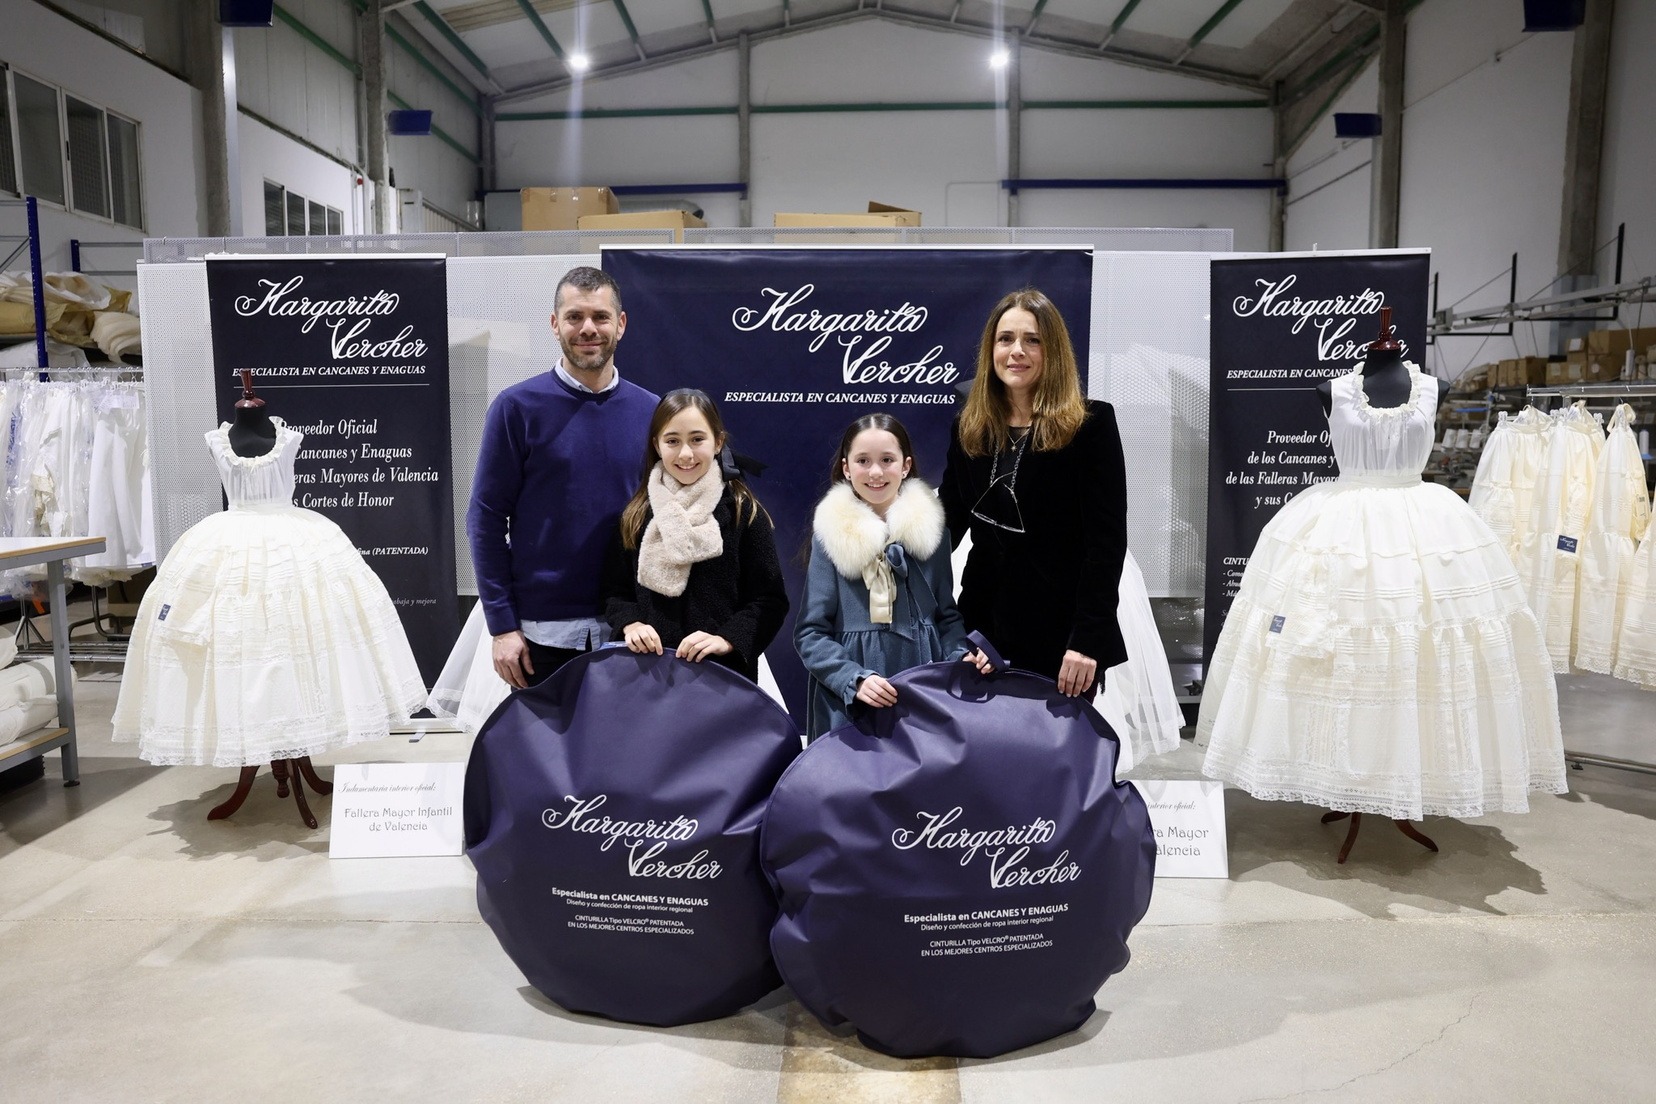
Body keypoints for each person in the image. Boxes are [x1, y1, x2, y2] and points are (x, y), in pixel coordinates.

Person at [466, 266, 658, 690]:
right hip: (541, 634)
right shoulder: (516, 408)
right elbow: (485, 519)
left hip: (633, 629)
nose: (588, 328)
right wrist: (502, 625)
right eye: (574, 317)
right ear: (555, 324)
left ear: (621, 324)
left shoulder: (652, 412)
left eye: (600, 316)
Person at [940, 287, 1129, 698]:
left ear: (1053, 350)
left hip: (1062, 638)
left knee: (1055, 741)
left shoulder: (1090, 426)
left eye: (1033, 340)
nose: (1016, 351)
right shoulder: (968, 427)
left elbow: (1106, 545)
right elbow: (945, 526)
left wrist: (1087, 641)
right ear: (991, 349)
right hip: (981, 630)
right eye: (1005, 339)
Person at [795, 413, 986, 741]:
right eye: (863, 461)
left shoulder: (932, 533)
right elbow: (810, 633)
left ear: (906, 465)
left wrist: (960, 656)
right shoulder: (829, 537)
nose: (875, 472)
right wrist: (853, 679)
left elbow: (946, 616)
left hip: (921, 687)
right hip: (852, 700)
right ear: (846, 468)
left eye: (887, 460)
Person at [599, 389, 788, 683]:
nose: (685, 454)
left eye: (697, 439)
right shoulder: (636, 514)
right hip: (648, 677)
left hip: (722, 679)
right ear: (657, 445)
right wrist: (631, 623)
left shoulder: (743, 512)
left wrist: (728, 639)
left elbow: (769, 600)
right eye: (672, 441)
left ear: (718, 442)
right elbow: (615, 592)